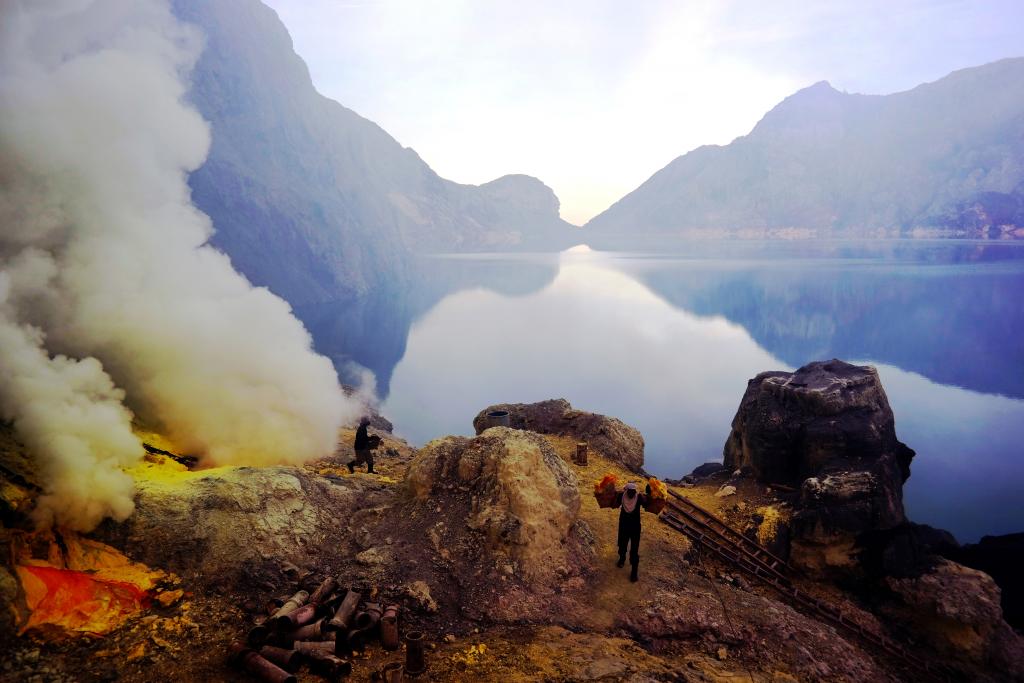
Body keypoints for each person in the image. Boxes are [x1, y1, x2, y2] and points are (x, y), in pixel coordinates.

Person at [615, 481, 647, 582]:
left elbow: (615, 500)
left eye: (633, 491)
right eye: (631, 491)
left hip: (628, 526)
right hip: (634, 526)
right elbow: (647, 503)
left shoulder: (622, 495)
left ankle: (625, 563)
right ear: (628, 490)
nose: (631, 493)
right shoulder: (639, 497)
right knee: (628, 545)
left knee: (628, 546)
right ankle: (631, 570)